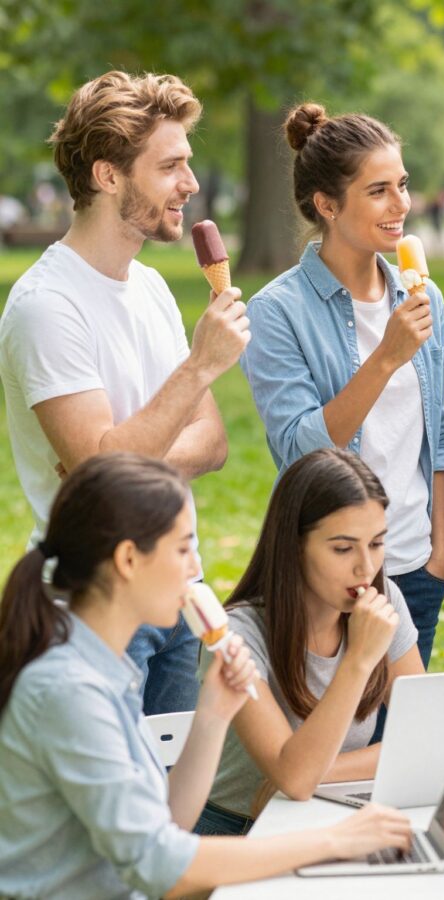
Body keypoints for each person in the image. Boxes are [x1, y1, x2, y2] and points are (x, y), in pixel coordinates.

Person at [0, 453, 413, 898]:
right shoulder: (69, 692)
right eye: (182, 549)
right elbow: (162, 865)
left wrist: (213, 716)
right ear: (127, 559)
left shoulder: (108, 668)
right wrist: (335, 841)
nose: (195, 569)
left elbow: (167, 822)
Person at [0, 71, 249, 714]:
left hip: (179, 592)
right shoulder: (46, 307)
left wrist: (119, 466)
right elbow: (100, 471)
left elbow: (213, 443)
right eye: (170, 167)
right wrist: (197, 369)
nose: (190, 186)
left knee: (184, 800)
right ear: (108, 176)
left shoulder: (152, 289)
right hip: (99, 604)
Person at [240, 102, 444, 667]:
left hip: (415, 562)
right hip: (332, 575)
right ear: (327, 206)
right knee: (345, 741)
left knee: (407, 742)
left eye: (403, 186)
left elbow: (437, 429)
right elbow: (299, 450)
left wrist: (442, 547)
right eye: (378, 190)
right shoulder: (277, 312)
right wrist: (385, 357)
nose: (401, 205)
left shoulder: (422, 296)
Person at [196, 448, 424, 835]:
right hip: (238, 830)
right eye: (342, 548)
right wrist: (359, 661)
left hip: (332, 812)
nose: (366, 568)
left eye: (376, 544)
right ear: (293, 546)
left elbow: (427, 737)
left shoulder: (383, 602)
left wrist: (323, 772)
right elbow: (297, 778)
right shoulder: (238, 634)